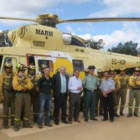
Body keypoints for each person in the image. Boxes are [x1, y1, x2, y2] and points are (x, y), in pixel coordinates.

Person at [13, 63, 33, 131]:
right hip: (19, 95)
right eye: (21, 70)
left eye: (23, 70)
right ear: (18, 70)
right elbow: (15, 87)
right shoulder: (15, 77)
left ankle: (26, 123)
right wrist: (25, 85)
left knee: (27, 110)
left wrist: (22, 85)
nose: (23, 72)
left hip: (27, 94)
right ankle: (16, 125)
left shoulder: (26, 77)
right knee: (18, 110)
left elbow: (30, 86)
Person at [0, 62, 15, 129]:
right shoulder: (2, 75)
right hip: (5, 94)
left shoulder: (13, 74)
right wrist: (1, 95)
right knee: (5, 110)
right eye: (7, 68)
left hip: (13, 94)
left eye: (10, 68)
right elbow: (0, 86)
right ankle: (5, 124)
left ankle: (13, 123)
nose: (8, 69)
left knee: (13, 109)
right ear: (5, 68)